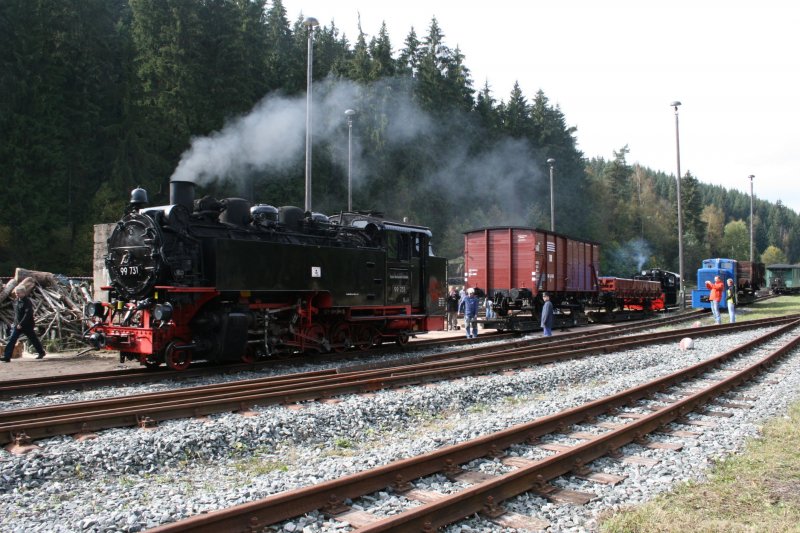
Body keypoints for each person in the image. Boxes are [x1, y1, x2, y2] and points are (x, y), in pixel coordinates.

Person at [2, 286, 46, 362]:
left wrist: (21, 324)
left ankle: (41, 352)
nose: (17, 295)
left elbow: (27, 314)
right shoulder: (17, 300)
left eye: (18, 293)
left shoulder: (27, 302)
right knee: (12, 339)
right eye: (16, 293)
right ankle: (7, 357)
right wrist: (15, 323)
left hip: (27, 325)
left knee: (33, 339)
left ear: (23, 293)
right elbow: (17, 314)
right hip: (17, 325)